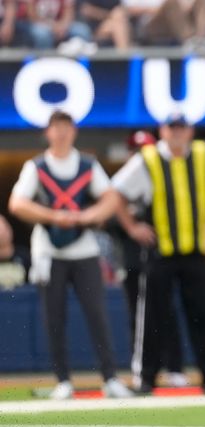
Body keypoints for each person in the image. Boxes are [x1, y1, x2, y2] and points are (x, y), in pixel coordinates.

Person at [7, 110, 133, 400]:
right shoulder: (36, 166)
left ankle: (110, 377)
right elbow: (17, 203)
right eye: (56, 127)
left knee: (97, 314)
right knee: (54, 316)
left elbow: (111, 198)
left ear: (74, 131)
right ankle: (63, 380)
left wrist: (85, 216)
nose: (61, 132)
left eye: (66, 126)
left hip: (84, 249)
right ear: (47, 132)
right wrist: (54, 216)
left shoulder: (87, 163)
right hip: (49, 251)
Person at [111, 111, 205, 394]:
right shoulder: (148, 158)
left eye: (182, 127)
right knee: (152, 316)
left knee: (202, 314)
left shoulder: (203, 156)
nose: (177, 133)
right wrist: (133, 228)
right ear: (162, 131)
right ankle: (146, 377)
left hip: (195, 251)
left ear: (190, 131)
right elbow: (115, 192)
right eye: (172, 128)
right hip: (160, 253)